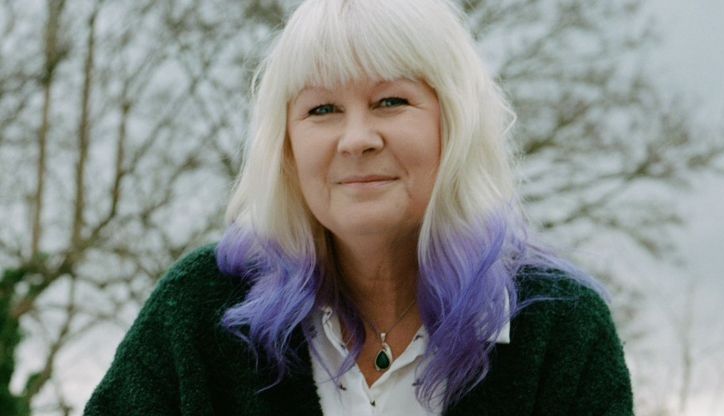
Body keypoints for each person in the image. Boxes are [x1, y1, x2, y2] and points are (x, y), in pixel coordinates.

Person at [85, 0, 633, 414]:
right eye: (321, 109)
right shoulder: (198, 311)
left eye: (390, 101)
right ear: (286, 147)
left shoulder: (559, 327)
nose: (356, 138)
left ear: (456, 124)